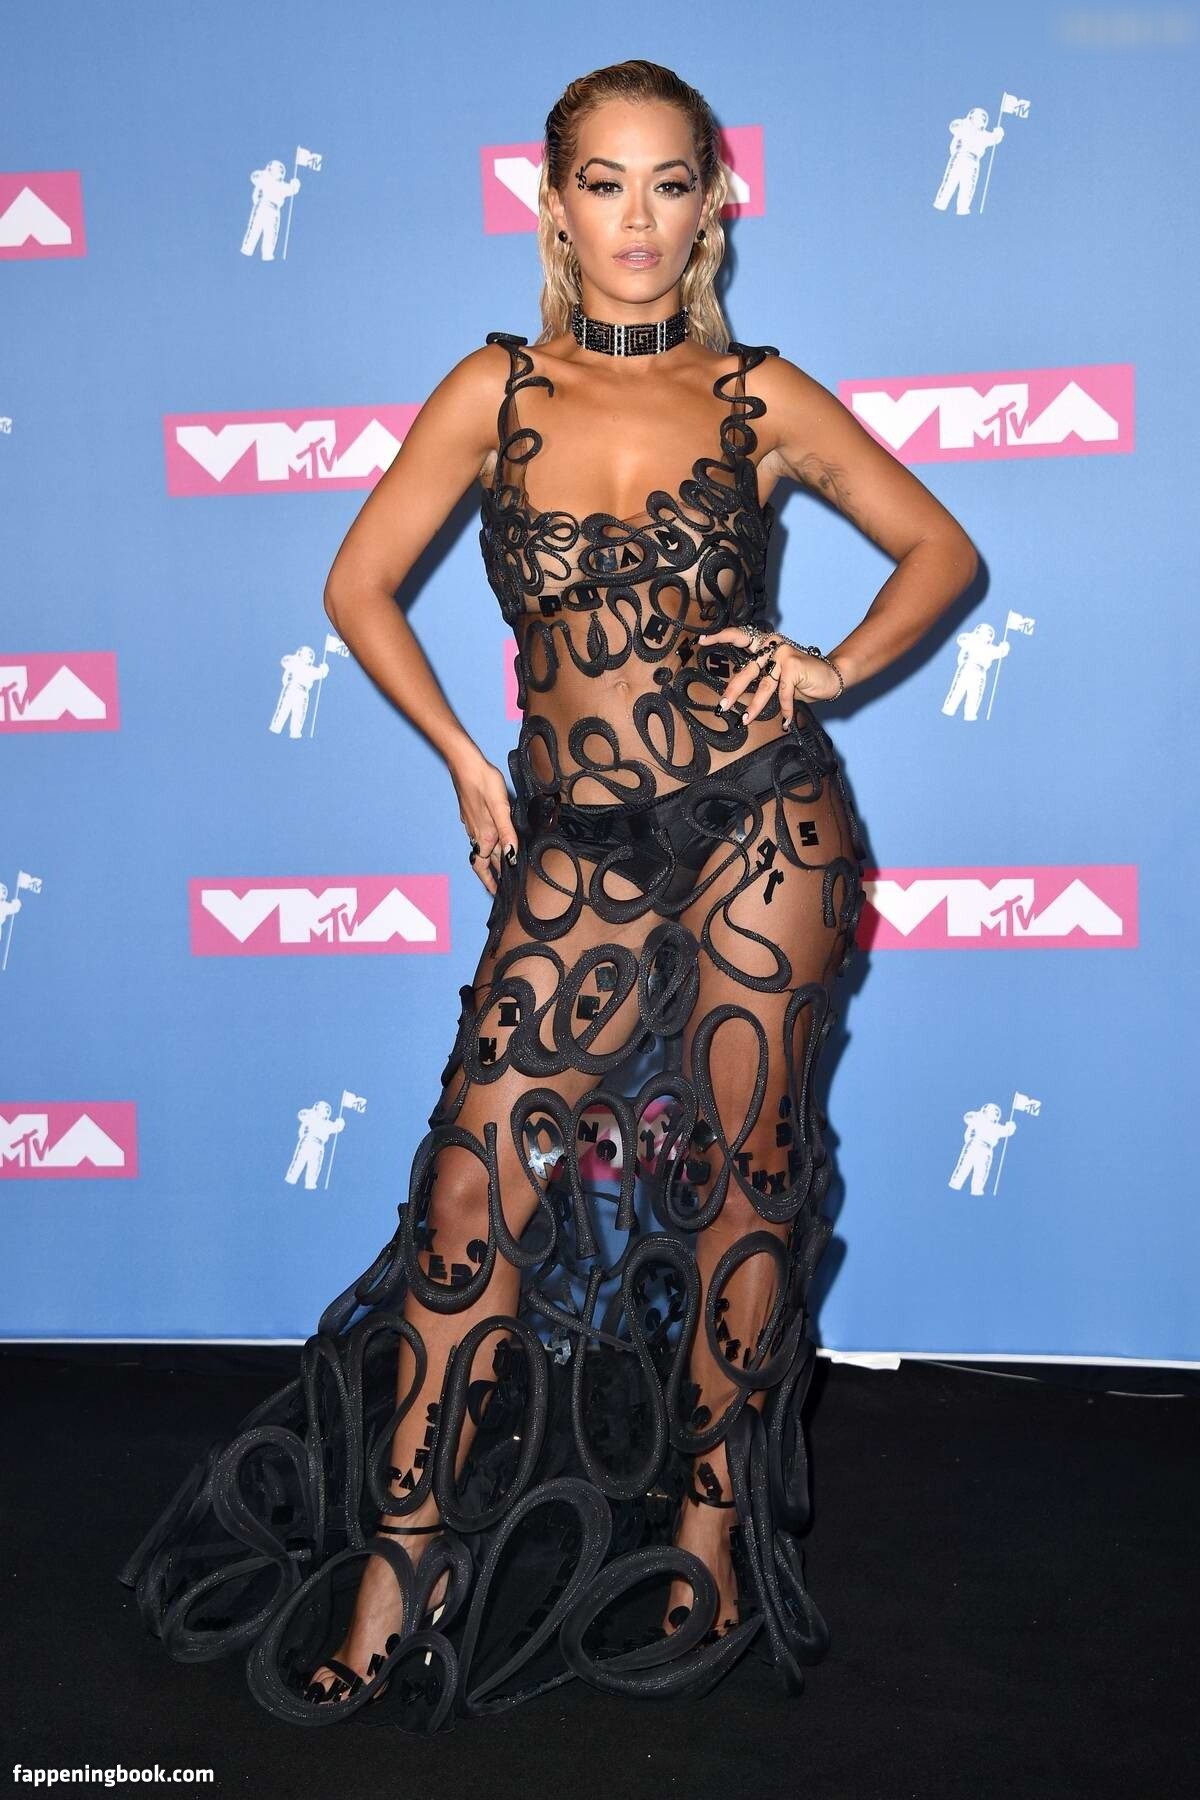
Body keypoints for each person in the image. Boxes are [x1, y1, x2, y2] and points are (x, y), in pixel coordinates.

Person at [118, 59, 978, 1730]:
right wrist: (462, 753)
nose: (637, 218)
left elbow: (938, 549)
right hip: (577, 848)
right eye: (605, 181)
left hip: (765, 833)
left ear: (714, 203)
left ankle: (711, 1542)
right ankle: (405, 1569)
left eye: (670, 182)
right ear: (554, 202)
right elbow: (359, 584)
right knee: (469, 1198)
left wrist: (827, 667)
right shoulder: (495, 388)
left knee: (745, 1184)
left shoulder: (760, 395)